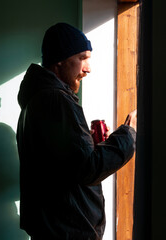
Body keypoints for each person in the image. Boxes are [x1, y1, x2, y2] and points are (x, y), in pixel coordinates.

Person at [16, 23, 137, 240]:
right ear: (59, 60)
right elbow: (88, 170)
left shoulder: (36, 101)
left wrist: (88, 143)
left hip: (55, 229)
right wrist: (128, 133)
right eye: (82, 58)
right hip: (68, 231)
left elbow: (60, 164)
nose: (88, 68)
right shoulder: (56, 100)